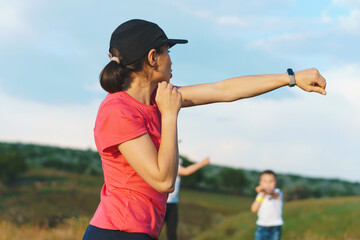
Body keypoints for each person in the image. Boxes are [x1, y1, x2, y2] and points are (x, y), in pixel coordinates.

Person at [82, 19, 326, 240]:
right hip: (117, 232)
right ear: (152, 57)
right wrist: (169, 115)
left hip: (138, 232)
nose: (171, 59)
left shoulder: (159, 97)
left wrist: (290, 78)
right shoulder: (118, 110)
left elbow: (224, 90)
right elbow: (164, 180)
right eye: (168, 51)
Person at [162, 157, 210, 240]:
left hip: (173, 204)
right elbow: (186, 171)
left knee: (172, 233)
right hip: (164, 203)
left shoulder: (176, 162)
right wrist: (202, 163)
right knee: (155, 232)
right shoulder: (173, 163)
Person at [251, 170, 283, 240]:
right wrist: (262, 194)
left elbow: (274, 194)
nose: (268, 184)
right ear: (260, 183)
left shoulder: (278, 192)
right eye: (265, 181)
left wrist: (264, 191)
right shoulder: (260, 195)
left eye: (271, 181)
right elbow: (254, 209)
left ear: (275, 182)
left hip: (275, 227)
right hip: (261, 227)